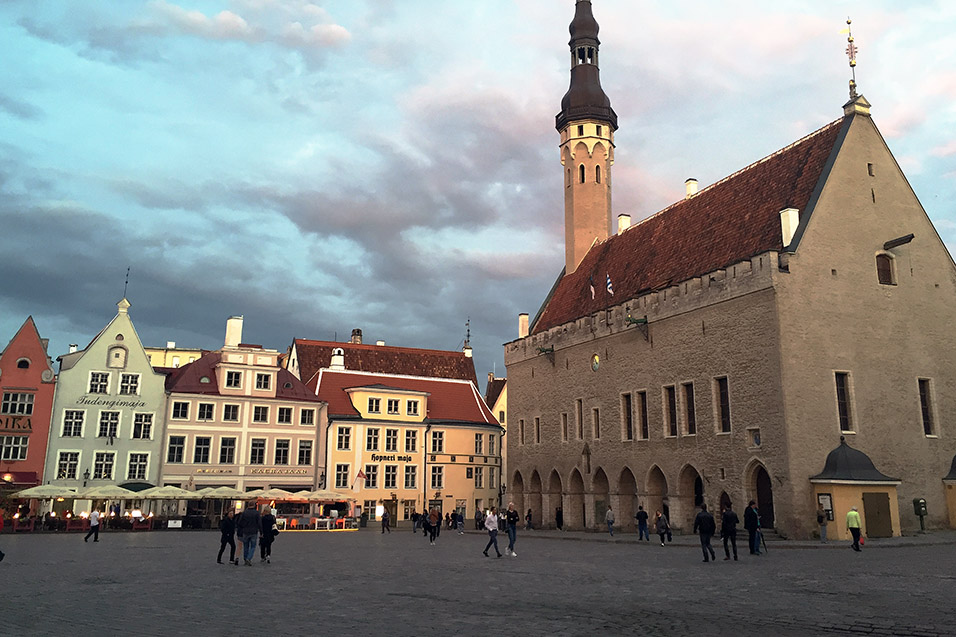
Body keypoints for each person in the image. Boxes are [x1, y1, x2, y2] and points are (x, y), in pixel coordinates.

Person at [236, 501, 262, 565]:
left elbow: (240, 522)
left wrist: (243, 526)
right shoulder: (256, 513)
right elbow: (259, 523)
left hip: (245, 531)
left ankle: (245, 558)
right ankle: (249, 558)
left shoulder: (244, 513)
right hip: (254, 531)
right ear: (254, 505)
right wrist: (261, 532)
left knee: (246, 546)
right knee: (253, 546)